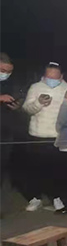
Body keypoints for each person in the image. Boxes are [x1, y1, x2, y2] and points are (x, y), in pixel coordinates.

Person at [21, 62, 67, 212]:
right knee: (35, 169)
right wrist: (39, 103)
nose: (51, 81)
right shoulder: (35, 87)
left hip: (58, 136)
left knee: (57, 170)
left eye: (55, 78)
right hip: (37, 135)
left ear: (61, 77)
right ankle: (35, 198)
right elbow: (27, 109)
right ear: (44, 76)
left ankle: (56, 197)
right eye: (48, 77)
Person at [0, 53, 20, 183]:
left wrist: (16, 106)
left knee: (2, 162)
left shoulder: (10, 83)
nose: (6, 74)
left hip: (5, 130)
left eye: (9, 72)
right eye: (2, 70)